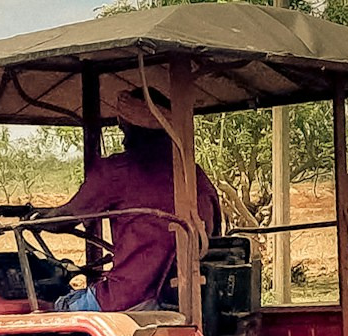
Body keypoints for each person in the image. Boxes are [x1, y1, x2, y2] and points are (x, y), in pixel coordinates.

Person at [43, 89, 220, 312]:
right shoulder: (197, 176)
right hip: (190, 299)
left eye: (123, 128)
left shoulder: (118, 171)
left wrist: (34, 218)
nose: (123, 138)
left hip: (129, 299)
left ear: (132, 128)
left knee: (51, 310)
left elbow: (65, 219)